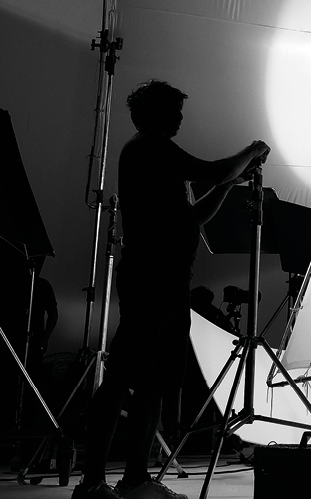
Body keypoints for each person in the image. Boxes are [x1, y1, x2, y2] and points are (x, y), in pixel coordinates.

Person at [73, 80, 270, 499]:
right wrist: (252, 151)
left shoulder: (155, 154)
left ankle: (135, 481)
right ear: (158, 114)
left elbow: (192, 218)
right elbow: (213, 170)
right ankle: (92, 484)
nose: (180, 119)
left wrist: (227, 185)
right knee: (123, 378)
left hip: (170, 281)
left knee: (153, 384)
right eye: (175, 112)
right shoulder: (150, 148)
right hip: (152, 280)